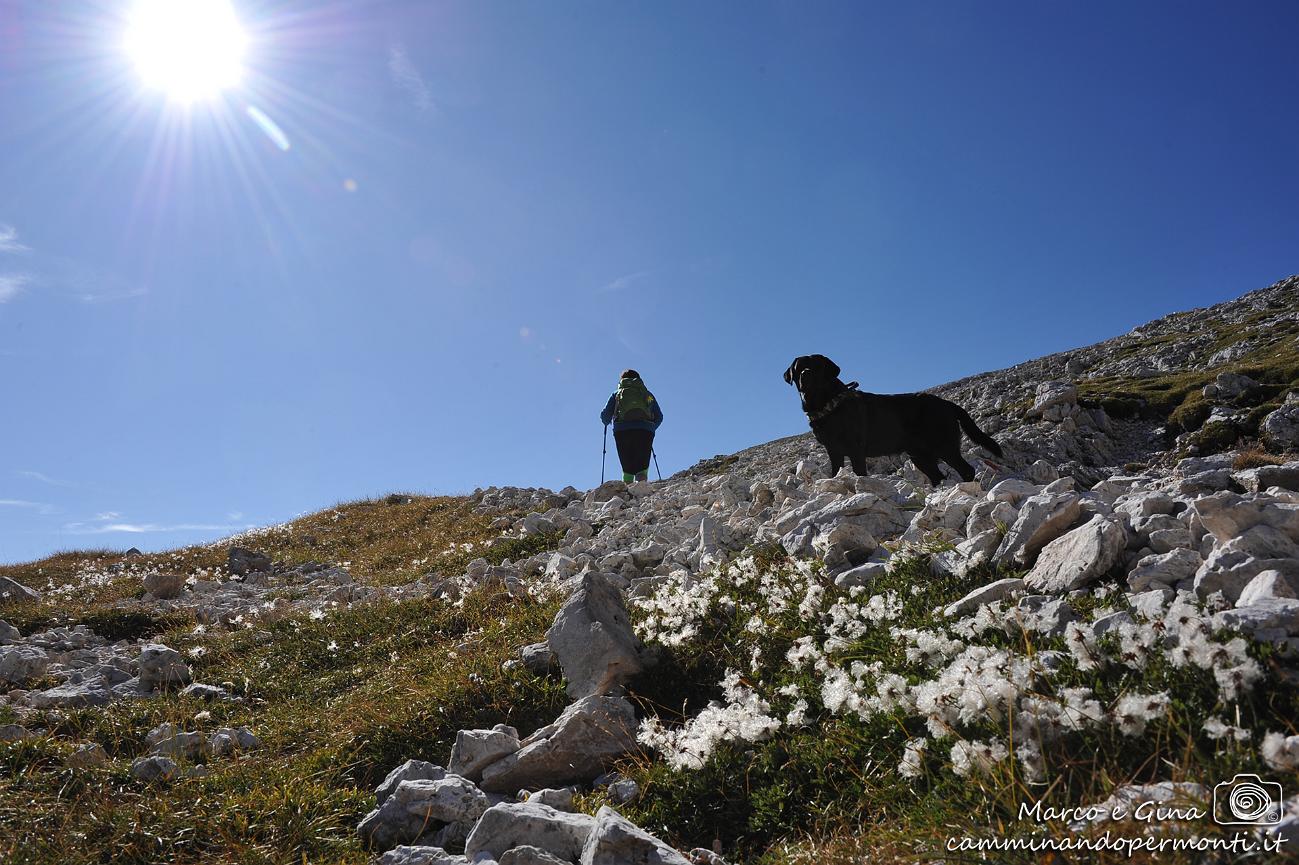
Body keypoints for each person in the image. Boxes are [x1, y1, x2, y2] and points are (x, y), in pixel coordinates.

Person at [600, 369, 663, 483]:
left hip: (622, 431)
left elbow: (605, 416)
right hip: (645, 430)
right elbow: (659, 416)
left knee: (627, 464)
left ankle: (628, 491)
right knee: (642, 464)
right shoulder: (647, 395)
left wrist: (607, 422)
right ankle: (641, 490)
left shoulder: (616, 394)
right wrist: (651, 428)